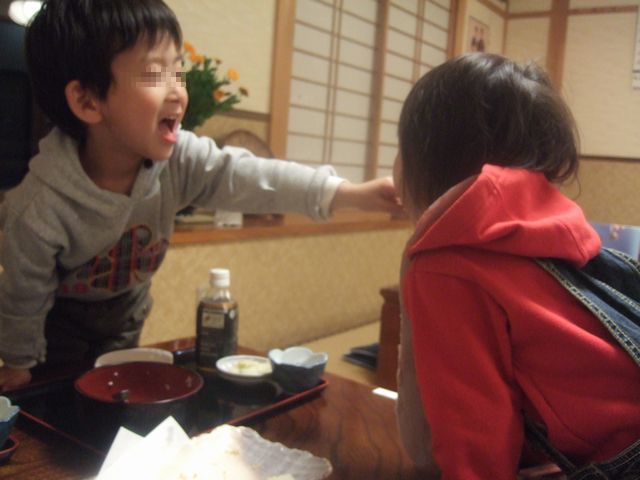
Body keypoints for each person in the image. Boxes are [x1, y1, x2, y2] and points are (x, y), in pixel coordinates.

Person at [0, 0, 402, 391]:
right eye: (155, 74)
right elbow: (23, 295)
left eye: (179, 72)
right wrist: (18, 364)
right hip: (56, 331)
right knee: (59, 409)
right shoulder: (38, 207)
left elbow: (255, 177)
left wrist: (350, 194)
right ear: (88, 101)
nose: (178, 92)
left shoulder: (179, 161)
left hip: (126, 317)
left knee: (117, 404)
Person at [393, 53, 640, 479]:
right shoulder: (555, 226)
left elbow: (473, 441)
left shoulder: (446, 264)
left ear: (426, 161)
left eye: (399, 148)